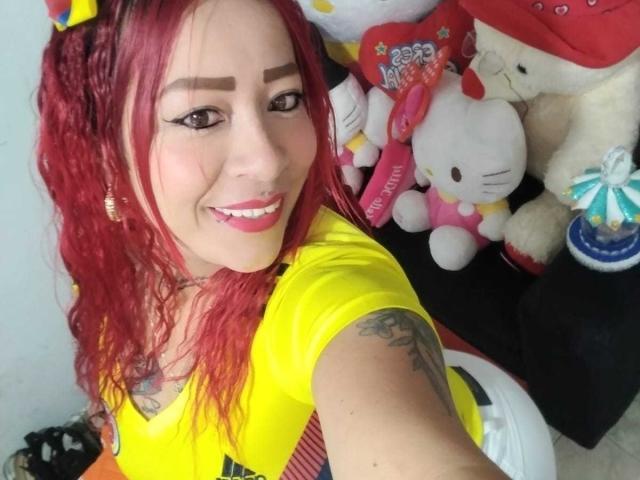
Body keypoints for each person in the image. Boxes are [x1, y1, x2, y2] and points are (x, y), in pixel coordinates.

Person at [35, 0, 536, 478]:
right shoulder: (108, 258)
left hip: (500, 441)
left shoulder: (330, 293)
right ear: (104, 151)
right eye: (200, 116)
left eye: (284, 100)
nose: (269, 161)